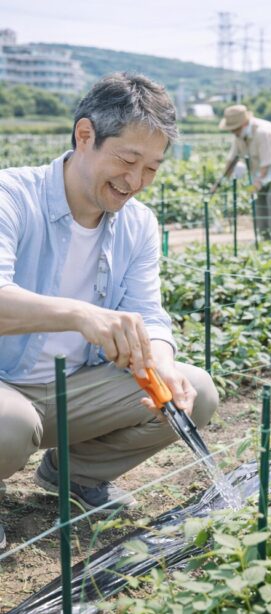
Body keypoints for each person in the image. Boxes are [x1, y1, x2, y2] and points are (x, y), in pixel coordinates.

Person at [0, 74, 218, 549]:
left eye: (152, 168)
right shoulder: (11, 196)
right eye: (127, 160)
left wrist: (160, 360)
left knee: (194, 391)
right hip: (5, 389)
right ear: (85, 135)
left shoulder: (137, 224)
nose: (135, 182)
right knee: (8, 425)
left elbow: (148, 313)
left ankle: (74, 475)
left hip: (73, 391)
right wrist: (80, 314)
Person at [212, 105, 271, 240]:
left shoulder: (263, 132)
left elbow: (268, 163)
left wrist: (257, 183)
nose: (233, 132)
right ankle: (263, 237)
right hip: (261, 168)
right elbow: (232, 160)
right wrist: (219, 182)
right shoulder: (239, 135)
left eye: (235, 129)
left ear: (244, 124)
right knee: (259, 199)